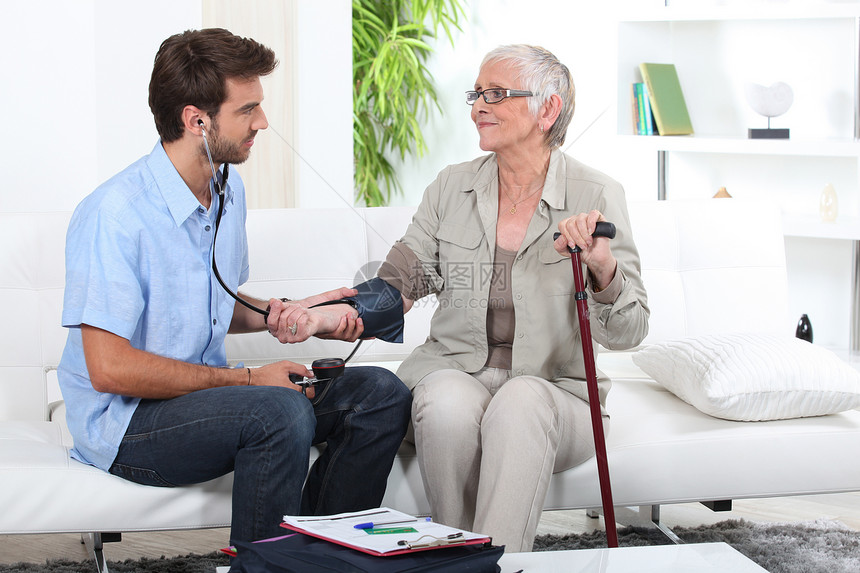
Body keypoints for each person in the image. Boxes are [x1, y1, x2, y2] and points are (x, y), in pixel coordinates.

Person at [57, 28, 411, 546]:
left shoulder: (227, 188)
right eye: (247, 109)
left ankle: (318, 555)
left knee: (380, 394)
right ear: (196, 120)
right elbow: (109, 369)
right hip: (129, 425)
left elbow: (216, 302)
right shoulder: (114, 215)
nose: (262, 122)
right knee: (279, 408)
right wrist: (248, 380)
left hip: (208, 401)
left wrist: (284, 312)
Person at [375, 44, 649, 552]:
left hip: (557, 393)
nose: (479, 106)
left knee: (520, 402)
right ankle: (458, 559)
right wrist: (337, 310)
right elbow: (401, 279)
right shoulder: (450, 186)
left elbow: (629, 331)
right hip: (460, 371)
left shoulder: (597, 194)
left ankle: (497, 563)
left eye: (496, 94)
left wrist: (602, 267)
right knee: (443, 399)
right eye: (476, 93)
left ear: (548, 109)